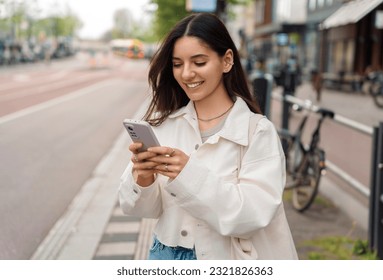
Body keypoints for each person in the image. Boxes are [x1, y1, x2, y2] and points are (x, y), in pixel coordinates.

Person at [118, 13, 297, 260]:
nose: (187, 74)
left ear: (226, 61)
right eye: (178, 64)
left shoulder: (257, 132)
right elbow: (138, 207)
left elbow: (252, 215)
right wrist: (143, 177)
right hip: (162, 255)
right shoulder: (164, 124)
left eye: (199, 62)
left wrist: (187, 173)